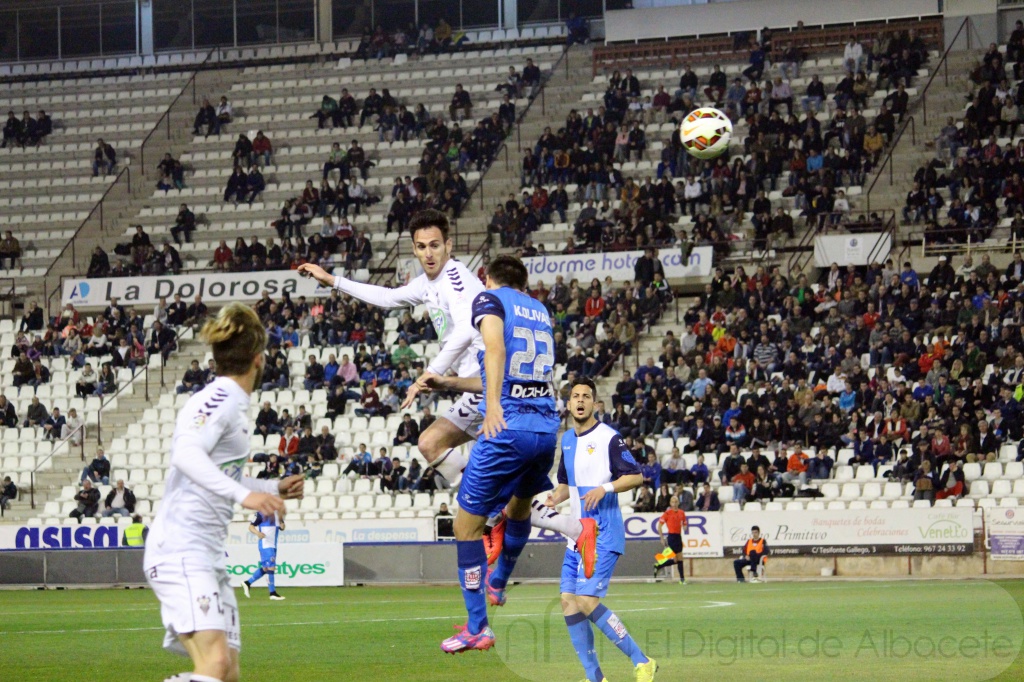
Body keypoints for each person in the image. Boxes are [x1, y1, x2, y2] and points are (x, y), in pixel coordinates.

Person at [143, 303, 304, 682]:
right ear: (259, 359)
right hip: (182, 549)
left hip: (207, 555)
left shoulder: (231, 403)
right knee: (214, 664)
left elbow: (217, 473)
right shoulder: (220, 400)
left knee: (227, 671)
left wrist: (270, 487)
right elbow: (186, 454)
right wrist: (247, 497)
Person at [416, 255, 562, 655]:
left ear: (487, 279)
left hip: (507, 428)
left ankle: (478, 627)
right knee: (519, 507)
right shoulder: (540, 311)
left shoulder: (488, 299)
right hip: (545, 429)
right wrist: (448, 382)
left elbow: (494, 351)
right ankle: (497, 583)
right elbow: (514, 371)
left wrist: (493, 406)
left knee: (465, 529)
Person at [297, 210, 486, 487]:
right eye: (422, 247)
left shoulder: (455, 277)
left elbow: (467, 330)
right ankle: (496, 496)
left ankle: (490, 494)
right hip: (474, 386)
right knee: (462, 466)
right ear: (414, 249)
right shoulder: (427, 283)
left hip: (488, 385)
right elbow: (387, 297)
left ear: (448, 245)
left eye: (435, 245)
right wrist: (333, 280)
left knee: (432, 444)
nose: (428, 254)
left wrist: (429, 373)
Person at [545, 376, 657, 682]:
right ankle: (595, 677)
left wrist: (604, 488)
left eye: (586, 396)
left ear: (595, 403)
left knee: (586, 601)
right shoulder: (567, 440)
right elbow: (566, 485)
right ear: (569, 404)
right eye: (575, 396)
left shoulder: (609, 437)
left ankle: (643, 661)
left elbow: (635, 476)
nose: (580, 400)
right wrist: (552, 499)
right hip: (576, 536)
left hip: (602, 533)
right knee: (569, 603)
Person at [241, 511, 286, 600]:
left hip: (273, 545)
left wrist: (282, 524)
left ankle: (247, 583)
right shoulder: (260, 514)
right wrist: (258, 533)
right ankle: (272, 593)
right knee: (271, 567)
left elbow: (282, 527)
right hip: (265, 544)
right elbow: (251, 527)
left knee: (266, 568)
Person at [655, 494, 688, 584]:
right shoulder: (667, 513)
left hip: (678, 537)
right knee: (679, 558)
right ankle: (682, 579)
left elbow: (684, 522)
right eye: (673, 502)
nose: (674, 504)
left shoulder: (681, 513)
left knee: (677, 560)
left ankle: (659, 565)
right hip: (671, 537)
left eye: (676, 502)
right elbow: (659, 526)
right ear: (670, 503)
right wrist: (662, 538)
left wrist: (685, 527)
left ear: (678, 502)